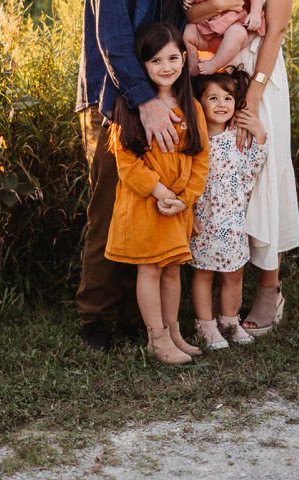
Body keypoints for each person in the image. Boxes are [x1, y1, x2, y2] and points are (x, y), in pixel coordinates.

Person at [77, 0, 229, 351]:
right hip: (115, 99)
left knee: (155, 201)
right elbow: (112, 34)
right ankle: (96, 318)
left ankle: (140, 319)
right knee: (113, 204)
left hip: (164, 96)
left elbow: (180, 21)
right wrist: (144, 102)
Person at [187, 0, 299, 336]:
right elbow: (188, 15)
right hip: (211, 82)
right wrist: (219, 5)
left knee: (262, 177)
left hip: (258, 79)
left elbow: (273, 32)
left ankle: (269, 289)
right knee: (216, 181)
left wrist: (253, 95)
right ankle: (207, 297)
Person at [105, 23, 209, 365]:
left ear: (184, 59)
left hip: (177, 205)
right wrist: (161, 191)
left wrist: (186, 197)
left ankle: (173, 330)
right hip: (146, 203)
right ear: (142, 65)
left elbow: (200, 159)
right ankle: (156, 338)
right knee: (149, 268)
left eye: (173, 58)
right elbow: (128, 165)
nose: (167, 67)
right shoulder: (132, 108)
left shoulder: (191, 107)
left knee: (172, 269)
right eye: (156, 61)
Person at [189, 68, 268, 349]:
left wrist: (259, 135)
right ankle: (205, 325)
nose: (222, 104)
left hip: (233, 222)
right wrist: (187, 213)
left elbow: (249, 173)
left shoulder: (236, 138)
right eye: (213, 98)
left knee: (234, 273)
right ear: (199, 103)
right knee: (203, 273)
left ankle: (230, 320)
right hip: (204, 221)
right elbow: (183, 181)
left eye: (227, 98)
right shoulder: (194, 141)